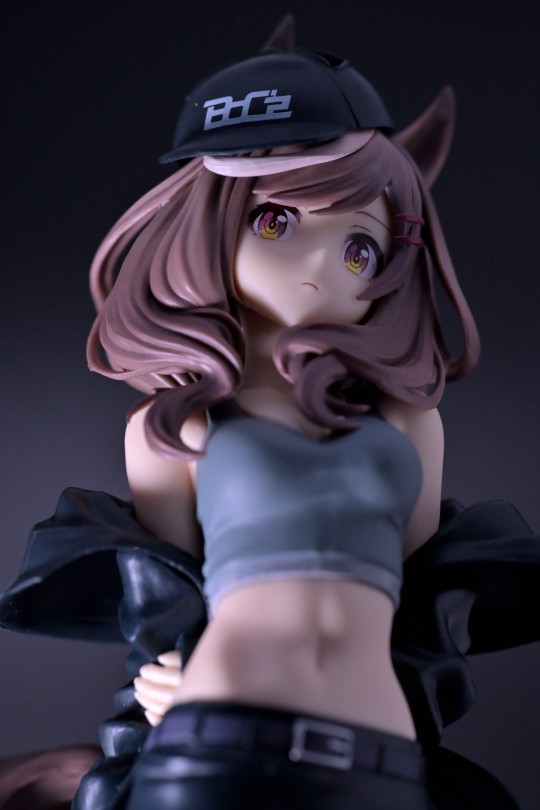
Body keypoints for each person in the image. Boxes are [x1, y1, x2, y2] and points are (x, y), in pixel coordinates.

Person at [1, 15, 538, 810]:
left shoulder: (408, 423)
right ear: (212, 224)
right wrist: (161, 679)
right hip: (217, 736)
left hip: (381, 756)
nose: (323, 265)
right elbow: (166, 601)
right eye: (277, 221)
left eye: (360, 249)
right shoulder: (178, 426)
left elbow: (418, 607)